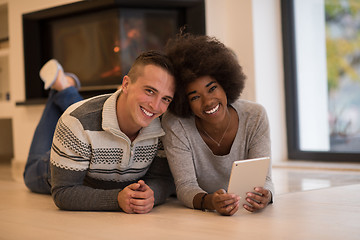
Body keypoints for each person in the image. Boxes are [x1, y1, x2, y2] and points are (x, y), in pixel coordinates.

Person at [23, 51, 176, 213]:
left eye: (166, 98)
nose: (156, 106)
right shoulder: (75, 122)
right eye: (150, 91)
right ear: (125, 84)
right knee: (29, 174)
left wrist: (152, 194)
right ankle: (61, 89)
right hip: (57, 165)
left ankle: (64, 87)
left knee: (87, 118)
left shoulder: (163, 127)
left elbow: (164, 179)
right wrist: (116, 199)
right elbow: (63, 191)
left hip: (88, 140)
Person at [162, 33, 274, 216]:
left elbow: (266, 179)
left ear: (225, 84)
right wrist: (210, 201)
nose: (208, 102)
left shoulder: (255, 116)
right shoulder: (176, 125)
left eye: (212, 88)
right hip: (199, 217)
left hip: (245, 214)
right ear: (185, 102)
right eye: (195, 97)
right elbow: (185, 186)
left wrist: (266, 195)